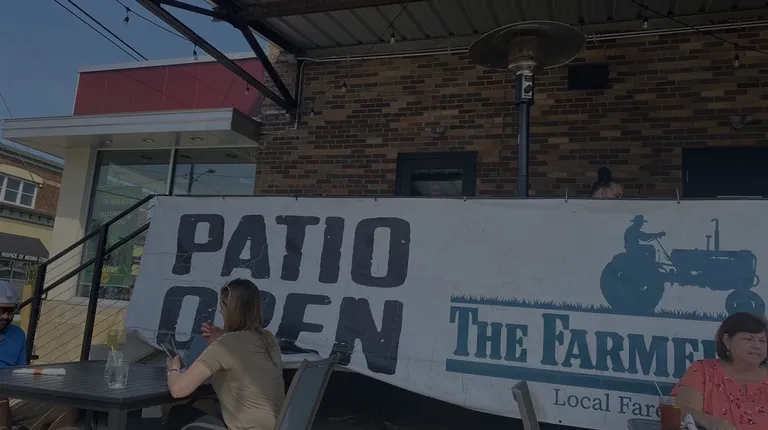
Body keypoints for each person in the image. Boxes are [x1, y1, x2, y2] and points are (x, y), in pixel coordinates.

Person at [164, 279, 285, 430]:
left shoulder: (226, 344)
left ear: (231, 309)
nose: (220, 311)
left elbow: (178, 390)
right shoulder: (269, 339)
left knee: (178, 413)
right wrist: (221, 339)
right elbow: (243, 360)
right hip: (277, 426)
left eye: (222, 305)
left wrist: (173, 368)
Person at [0, 281, 78, 430]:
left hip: (8, 405)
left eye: (10, 311)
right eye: (1, 310)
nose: (5, 316)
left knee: (67, 405)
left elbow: (21, 374)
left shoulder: (17, 335)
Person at [672, 312, 768, 430]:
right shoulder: (703, 370)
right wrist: (711, 423)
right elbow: (682, 410)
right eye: (749, 339)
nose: (757, 346)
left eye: (762, 341)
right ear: (727, 341)